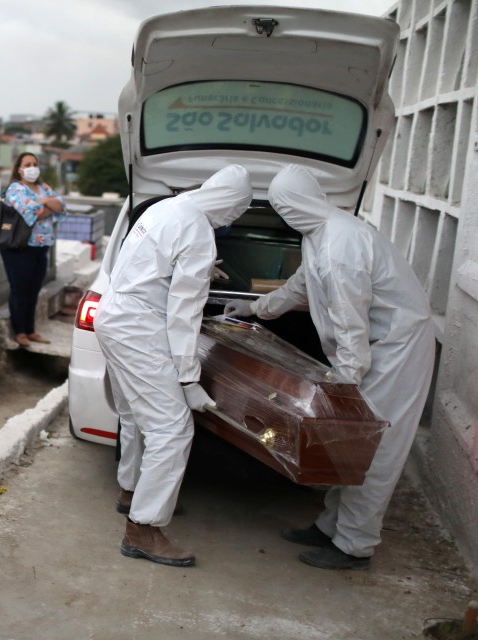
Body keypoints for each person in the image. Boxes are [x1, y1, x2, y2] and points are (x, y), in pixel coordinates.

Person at [224, 164, 436, 570]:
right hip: (373, 348)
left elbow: (348, 318)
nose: (285, 214)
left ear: (301, 201)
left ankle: (354, 546)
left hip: (396, 350)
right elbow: (302, 286)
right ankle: (330, 526)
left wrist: (346, 383)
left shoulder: (343, 244)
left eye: (286, 206)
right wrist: (256, 309)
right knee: (350, 447)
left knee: (373, 448)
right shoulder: (318, 235)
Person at [94, 165, 252, 567]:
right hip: (139, 327)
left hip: (113, 314)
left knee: (135, 413)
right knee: (171, 427)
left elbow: (146, 262)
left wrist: (200, 267)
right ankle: (143, 529)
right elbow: (185, 313)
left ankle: (132, 491)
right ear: (230, 205)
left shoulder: (165, 208)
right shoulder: (198, 230)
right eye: (236, 213)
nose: (232, 221)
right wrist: (188, 376)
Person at [1, 152, 67, 347]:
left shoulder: (43, 187)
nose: (32, 167)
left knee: (34, 290)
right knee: (19, 289)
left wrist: (44, 202)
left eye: (34, 164)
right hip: (20, 246)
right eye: (27, 164)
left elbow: (61, 205)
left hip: (41, 245)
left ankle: (30, 330)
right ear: (19, 168)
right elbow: (31, 214)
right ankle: (20, 332)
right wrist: (49, 204)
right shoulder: (15, 189)